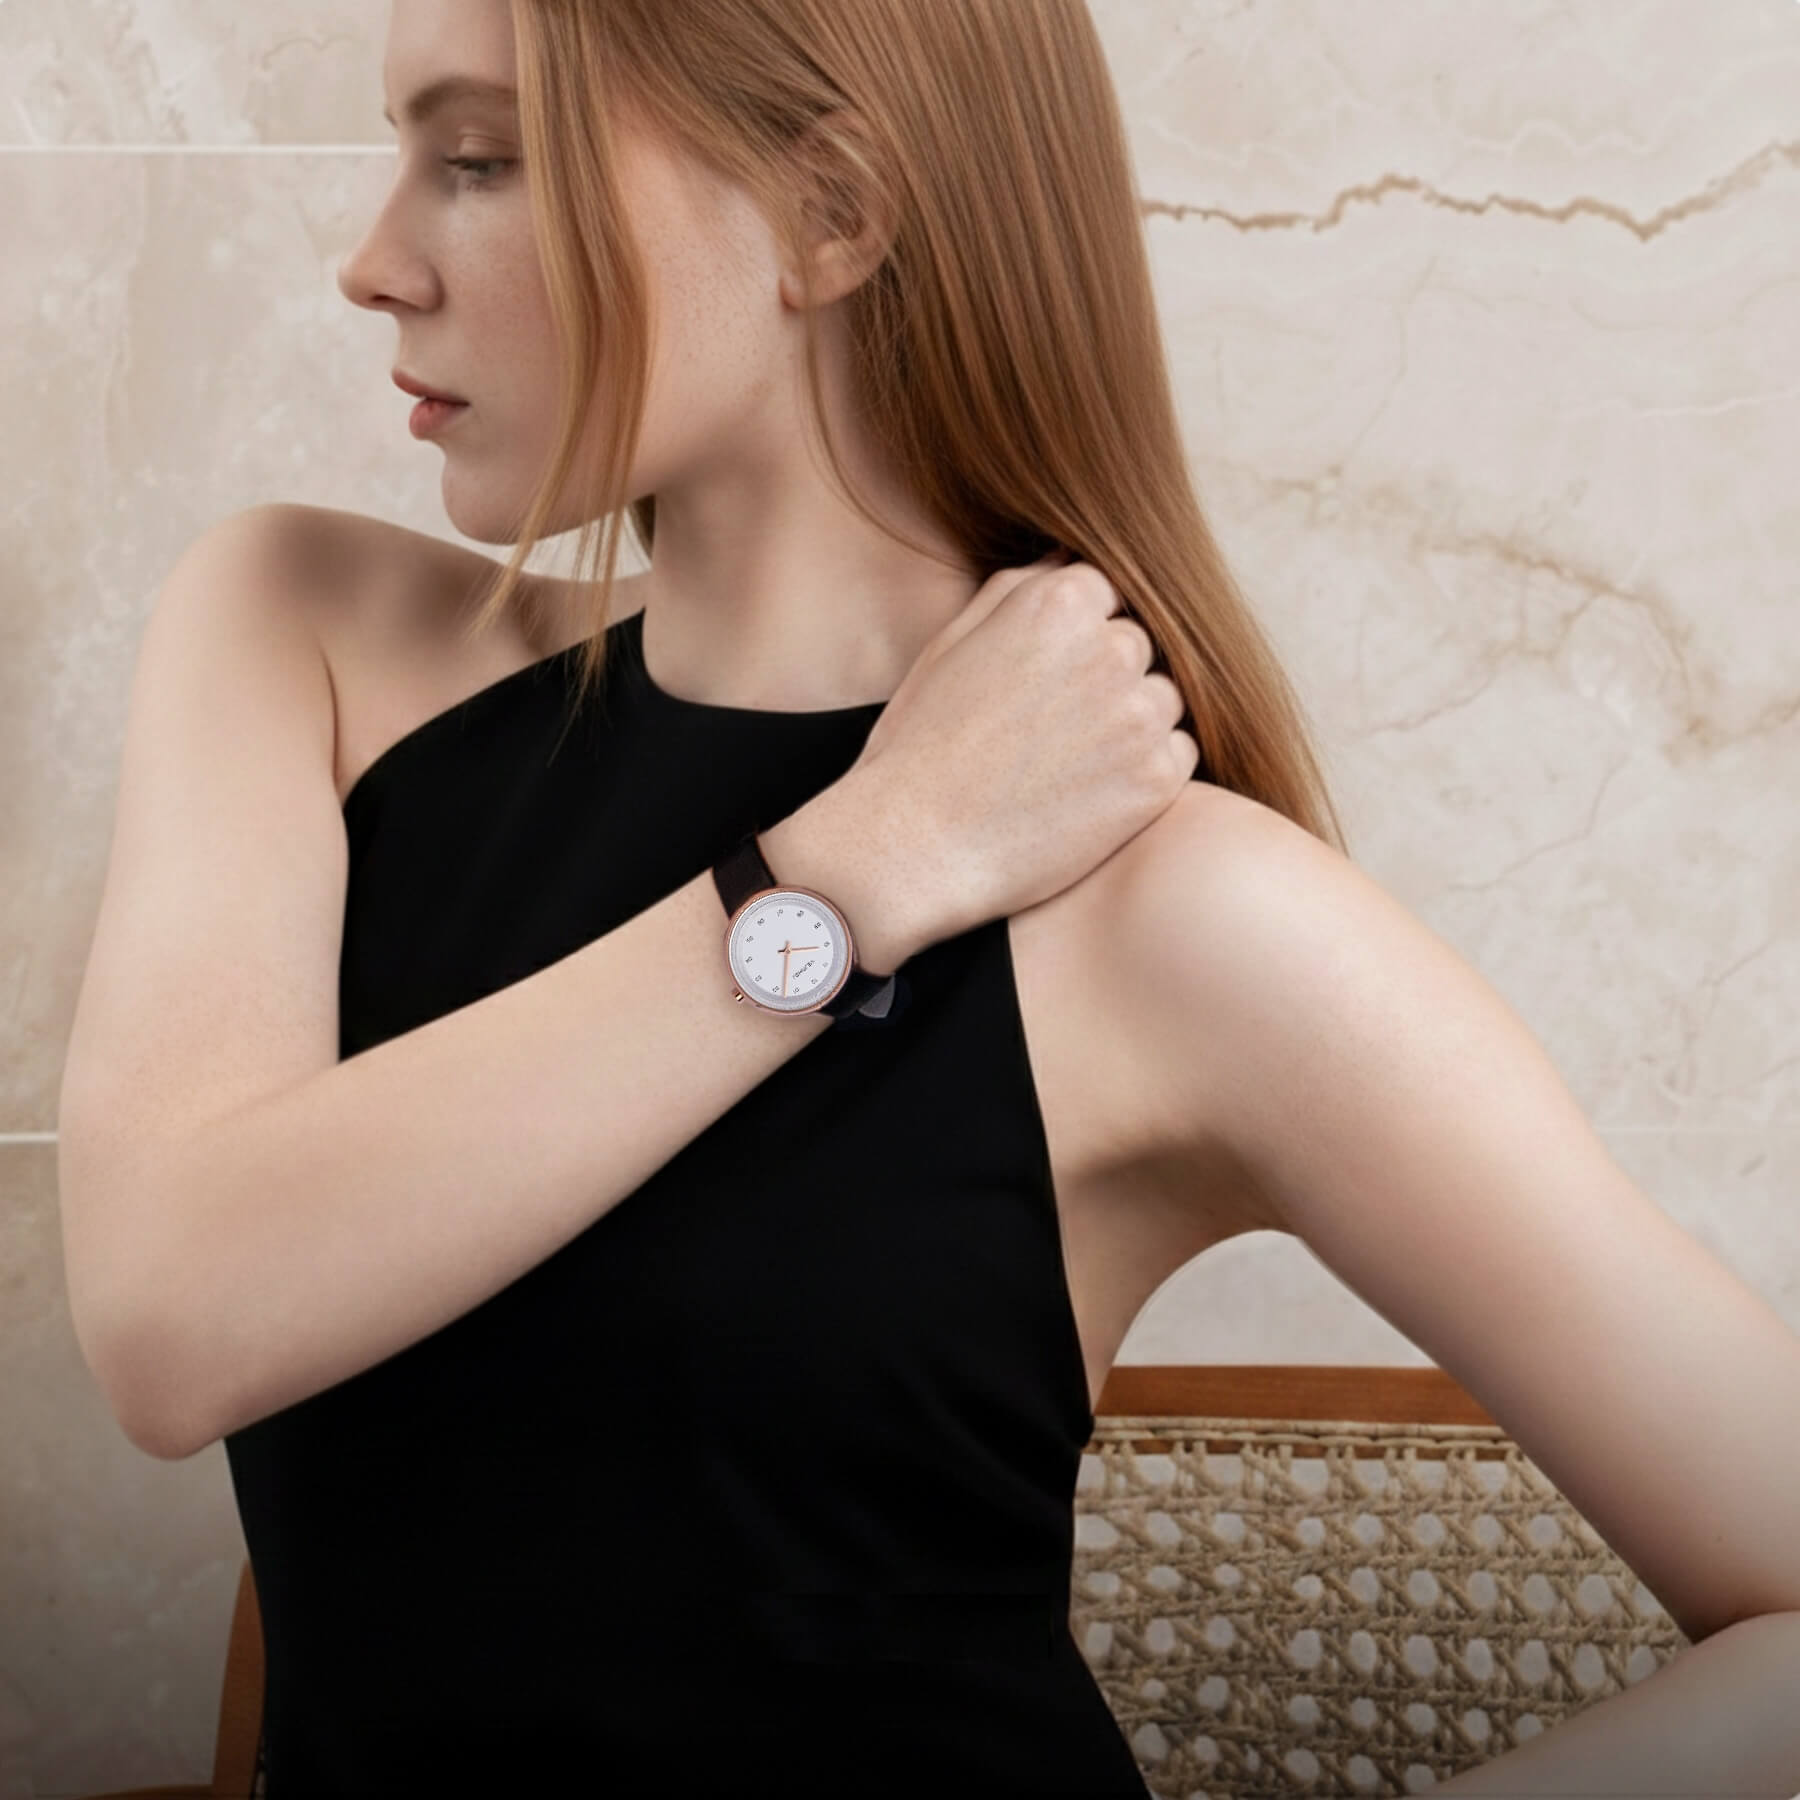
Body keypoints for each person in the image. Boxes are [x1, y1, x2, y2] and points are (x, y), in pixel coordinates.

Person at [59, 1, 1800, 1796]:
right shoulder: (300, 637)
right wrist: (864, 863)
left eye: (483, 160)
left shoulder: (1181, 918)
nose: (374, 263)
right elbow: (174, 1319)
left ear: (831, 213)